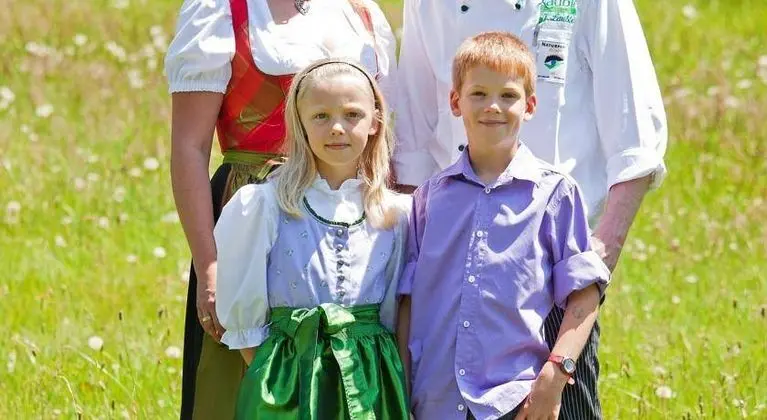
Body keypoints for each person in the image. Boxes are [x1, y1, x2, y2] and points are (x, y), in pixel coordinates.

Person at [394, 1, 667, 417]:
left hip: (552, 259)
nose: (493, 106)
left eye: (508, 96)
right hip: (449, 265)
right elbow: (413, 134)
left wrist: (601, 254)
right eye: (479, 94)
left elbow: (635, 130)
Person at [164, 0, 397, 417]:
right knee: (243, 380)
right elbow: (190, 146)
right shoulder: (222, 11)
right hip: (256, 218)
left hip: (350, 214)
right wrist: (210, 265)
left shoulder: (360, 13)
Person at [213, 58, 411, 419]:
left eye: (352, 115)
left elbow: (394, 314)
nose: (337, 128)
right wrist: (278, 380)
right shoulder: (266, 205)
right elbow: (246, 321)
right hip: (289, 377)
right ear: (300, 123)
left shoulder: (395, 213)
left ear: (375, 121)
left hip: (371, 378)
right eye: (321, 116)